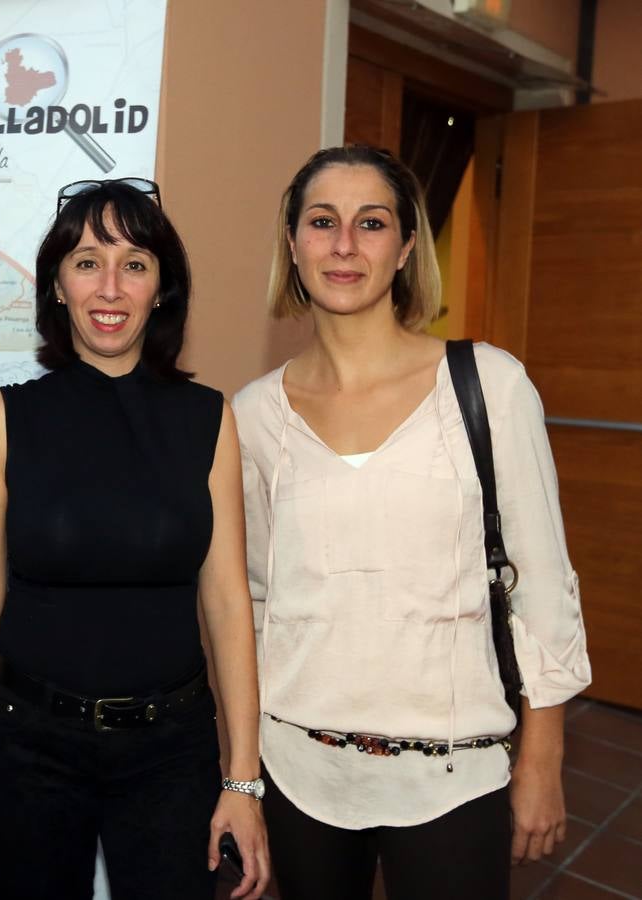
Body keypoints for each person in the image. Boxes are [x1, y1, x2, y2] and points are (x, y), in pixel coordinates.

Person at [233, 145, 591, 900]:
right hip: (299, 769)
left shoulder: (488, 384)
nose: (343, 245)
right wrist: (242, 772)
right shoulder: (252, 416)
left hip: (455, 774)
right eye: (322, 222)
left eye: (371, 223)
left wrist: (542, 758)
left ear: (403, 249)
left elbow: (544, 587)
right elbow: (256, 603)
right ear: (292, 245)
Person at [0, 178, 270, 900]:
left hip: (170, 753)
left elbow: (226, 601)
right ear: (57, 284)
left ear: (162, 288)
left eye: (135, 263)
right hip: (25, 749)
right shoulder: (4, 419)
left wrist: (243, 779)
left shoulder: (208, 420)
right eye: (87, 262)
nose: (109, 286)